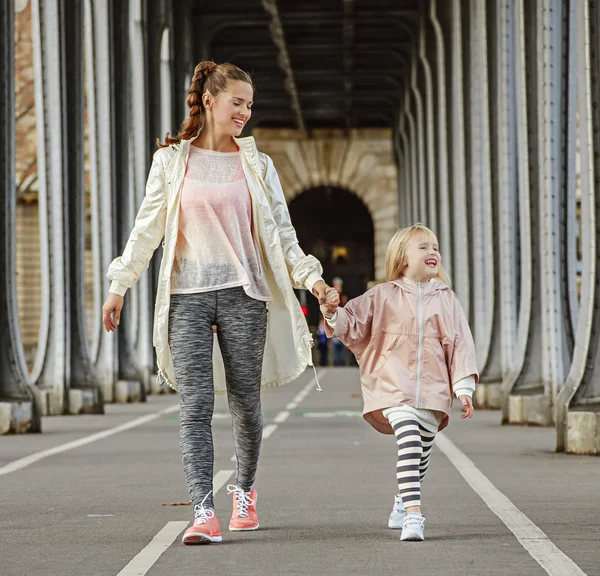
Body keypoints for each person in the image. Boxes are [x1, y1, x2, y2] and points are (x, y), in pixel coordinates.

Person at [101, 61, 336, 545]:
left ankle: (244, 492)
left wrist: (313, 281)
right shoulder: (171, 162)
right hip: (186, 296)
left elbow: (283, 237)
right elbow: (148, 230)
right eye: (238, 102)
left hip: (244, 295)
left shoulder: (258, 165)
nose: (246, 112)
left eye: (250, 104)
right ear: (210, 101)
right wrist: (119, 285)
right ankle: (203, 510)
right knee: (195, 406)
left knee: (246, 406)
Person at [320, 223, 478, 541]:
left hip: (434, 392)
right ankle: (414, 516)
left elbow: (461, 342)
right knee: (408, 443)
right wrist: (333, 312)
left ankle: (401, 499)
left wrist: (463, 387)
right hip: (394, 387)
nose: (432, 252)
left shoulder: (447, 299)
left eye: (435, 247)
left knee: (420, 456)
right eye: (423, 247)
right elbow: (352, 322)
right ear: (402, 259)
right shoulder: (383, 296)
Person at [331, 277, 348, 366]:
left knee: (341, 342)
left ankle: (341, 361)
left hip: (341, 320)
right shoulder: (331, 296)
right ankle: (336, 361)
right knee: (335, 343)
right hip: (334, 320)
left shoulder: (343, 297)